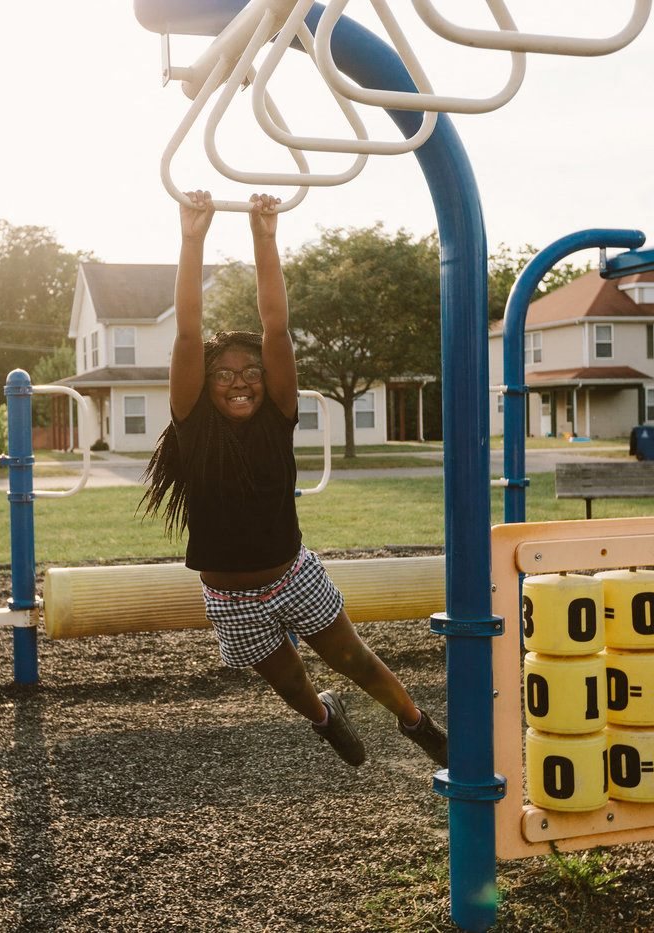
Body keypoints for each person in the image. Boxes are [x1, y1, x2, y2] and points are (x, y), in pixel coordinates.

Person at [141, 190, 448, 769]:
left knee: (354, 659)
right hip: (230, 597)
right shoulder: (192, 425)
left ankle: (418, 723)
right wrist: (192, 238)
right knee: (291, 684)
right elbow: (187, 332)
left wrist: (265, 237)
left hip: (292, 576)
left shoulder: (279, 417)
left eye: (251, 371)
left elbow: (276, 326)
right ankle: (326, 719)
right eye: (225, 374)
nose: (240, 381)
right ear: (203, 385)